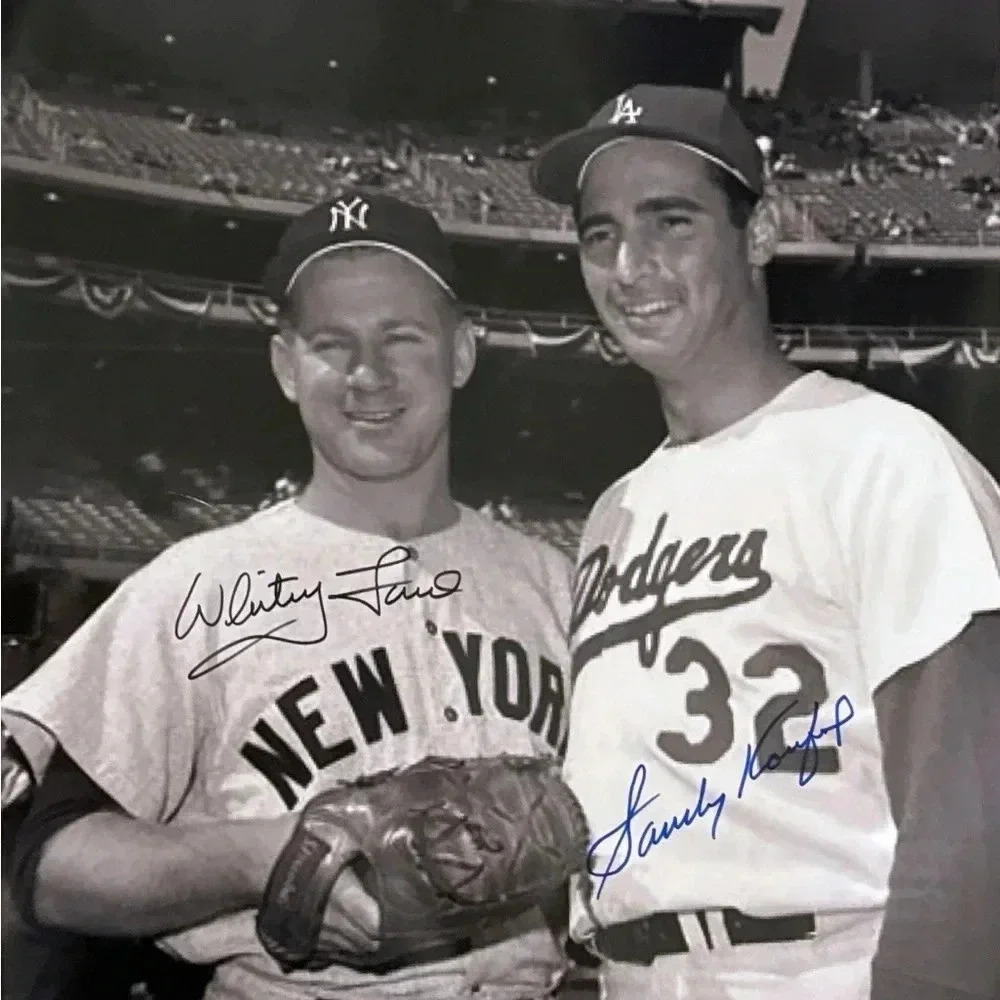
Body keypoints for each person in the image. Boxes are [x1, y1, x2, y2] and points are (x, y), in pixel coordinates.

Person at [2, 192, 576, 1000]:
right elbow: (46, 866)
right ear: (284, 365)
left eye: (401, 338)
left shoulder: (551, 586)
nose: (368, 375)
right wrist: (256, 857)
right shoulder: (196, 587)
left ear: (462, 352)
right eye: (332, 343)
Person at [530, 85, 1000, 1000]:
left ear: (760, 231)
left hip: (823, 964)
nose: (630, 266)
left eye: (671, 222)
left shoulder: (884, 455)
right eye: (600, 234)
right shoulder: (615, 513)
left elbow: (975, 806)